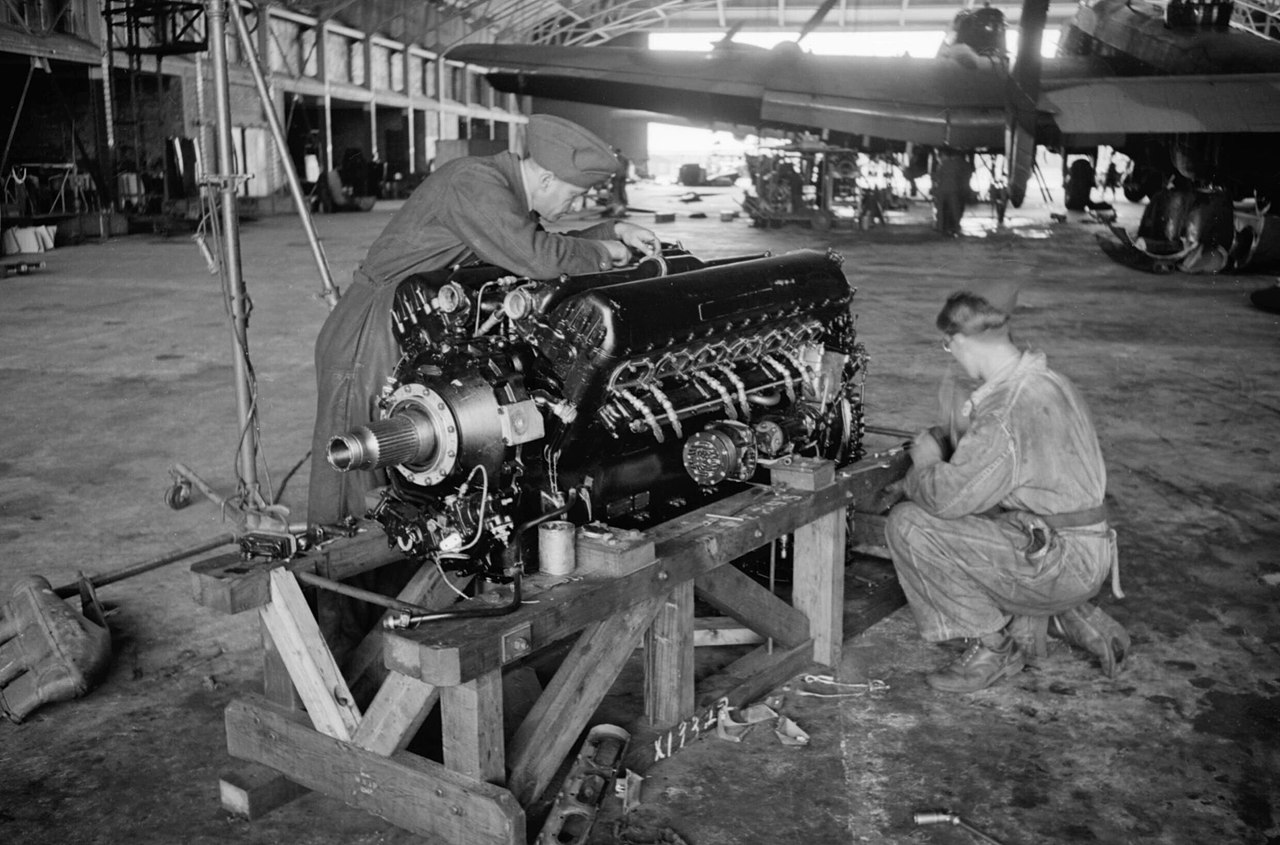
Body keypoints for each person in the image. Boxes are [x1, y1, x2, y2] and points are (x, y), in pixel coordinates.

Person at [308, 114, 661, 527]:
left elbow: (527, 247)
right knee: (361, 469)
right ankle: (338, 578)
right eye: (572, 196)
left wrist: (613, 230)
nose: (571, 206)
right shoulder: (475, 182)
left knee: (411, 465)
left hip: (409, 321)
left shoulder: (503, 192)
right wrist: (604, 252)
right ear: (546, 180)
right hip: (368, 331)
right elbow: (535, 256)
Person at [885, 288, 1128, 693]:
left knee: (910, 525)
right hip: (1089, 547)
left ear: (960, 340)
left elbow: (946, 499)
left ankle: (995, 649)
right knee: (981, 509)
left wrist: (926, 462)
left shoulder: (1005, 411)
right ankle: (1055, 612)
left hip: (1063, 562)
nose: (953, 355)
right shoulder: (1046, 380)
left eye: (949, 347)